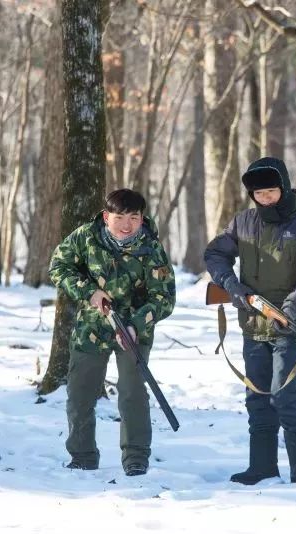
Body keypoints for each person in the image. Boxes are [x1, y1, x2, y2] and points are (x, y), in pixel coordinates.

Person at [204, 156, 296, 484]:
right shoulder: (243, 222)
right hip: (252, 323)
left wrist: (292, 305)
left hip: (290, 324)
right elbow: (215, 254)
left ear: (284, 187)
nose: (265, 198)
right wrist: (233, 287)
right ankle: (261, 467)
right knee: (257, 394)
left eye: (271, 192)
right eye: (259, 194)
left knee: (285, 392)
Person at [49, 188, 175, 476]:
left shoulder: (151, 248)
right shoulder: (85, 237)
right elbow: (59, 266)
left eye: (134, 217)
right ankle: (82, 455)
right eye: (119, 217)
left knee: (132, 393)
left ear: (142, 219)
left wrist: (135, 324)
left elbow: (165, 298)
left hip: (133, 330)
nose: (126, 225)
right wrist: (89, 292)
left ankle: (136, 458)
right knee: (80, 392)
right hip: (91, 328)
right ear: (106, 216)